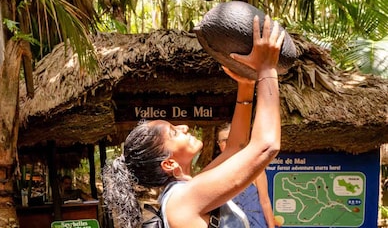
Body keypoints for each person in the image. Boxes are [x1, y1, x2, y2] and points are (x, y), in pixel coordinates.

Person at [103, 15, 284, 228]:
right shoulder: (181, 200)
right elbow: (266, 146)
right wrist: (267, 69)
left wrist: (246, 85)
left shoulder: (189, 189)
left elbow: (236, 147)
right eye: (173, 132)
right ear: (169, 163)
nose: (184, 127)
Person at [216, 123, 275, 227]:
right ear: (218, 144)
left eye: (229, 139)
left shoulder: (255, 167)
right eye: (223, 141)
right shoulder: (215, 171)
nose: (227, 143)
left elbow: (265, 201)